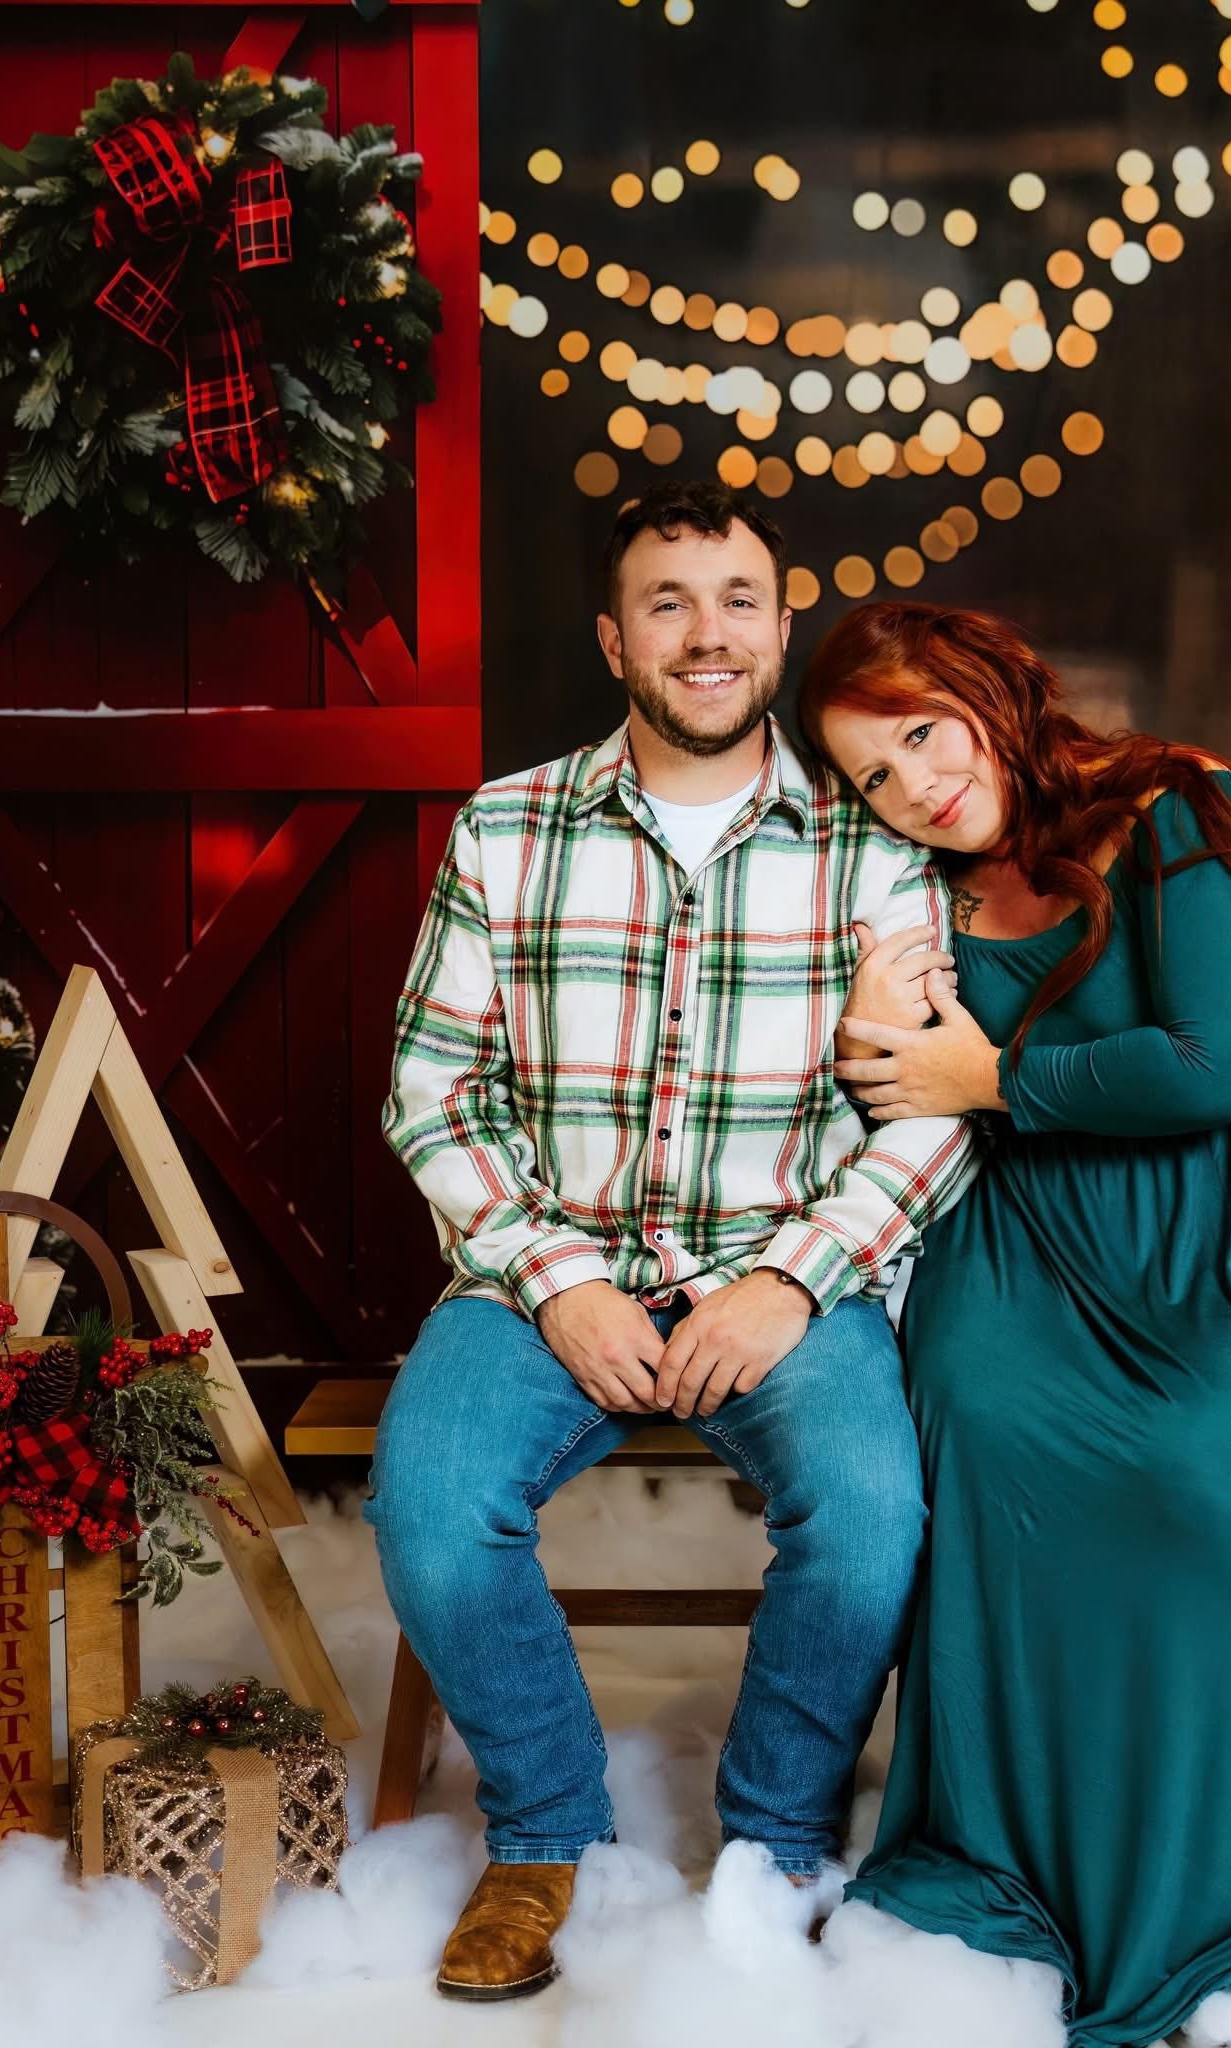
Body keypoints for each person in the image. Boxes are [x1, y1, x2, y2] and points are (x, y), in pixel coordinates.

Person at [369, 486, 982, 2001]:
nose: (707, 633)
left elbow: (932, 1110)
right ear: (613, 637)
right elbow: (431, 1092)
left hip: (785, 1272)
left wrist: (794, 1279)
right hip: (544, 1265)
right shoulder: (507, 830)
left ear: (781, 624)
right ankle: (542, 1829)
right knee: (430, 1509)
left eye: (736, 599)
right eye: (668, 602)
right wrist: (558, 1280)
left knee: (872, 1517)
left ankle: (776, 1843)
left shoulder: (874, 841)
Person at [798, 602, 1231, 2048]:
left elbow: (1218, 1062)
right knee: (971, 1405)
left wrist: (990, 1077)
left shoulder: (1187, 812)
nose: (916, 785)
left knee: (1219, 1460)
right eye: (873, 776)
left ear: (991, 689)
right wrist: (870, 1041)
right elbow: (879, 1093)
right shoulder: (910, 906)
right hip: (1034, 1251)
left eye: (922, 732)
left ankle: (1204, 1899)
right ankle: (1010, 1867)